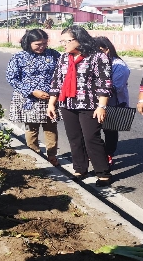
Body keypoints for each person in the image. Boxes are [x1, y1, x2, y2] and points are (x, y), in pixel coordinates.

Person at [47, 25, 112, 187]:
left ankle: (103, 173)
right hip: (68, 103)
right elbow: (56, 82)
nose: (63, 44)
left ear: (78, 39)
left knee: (91, 138)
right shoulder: (63, 58)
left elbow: (104, 83)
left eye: (66, 41)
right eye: (61, 41)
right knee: (75, 138)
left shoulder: (97, 57)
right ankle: (80, 169)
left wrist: (102, 106)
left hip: (90, 105)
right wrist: (51, 104)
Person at [6, 29, 61, 166]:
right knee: (31, 128)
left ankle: (52, 155)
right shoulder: (19, 57)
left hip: (50, 99)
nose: (42, 47)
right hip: (29, 100)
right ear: (28, 42)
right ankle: (35, 154)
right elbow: (12, 78)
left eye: (44, 43)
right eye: (38, 44)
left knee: (50, 127)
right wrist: (32, 91)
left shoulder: (54, 55)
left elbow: (61, 74)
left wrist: (54, 93)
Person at [94, 36, 131, 165]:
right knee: (93, 131)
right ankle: (97, 154)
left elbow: (115, 87)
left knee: (110, 131)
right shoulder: (95, 62)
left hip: (114, 104)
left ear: (107, 50)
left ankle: (109, 154)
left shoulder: (119, 66)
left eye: (99, 51)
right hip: (96, 103)